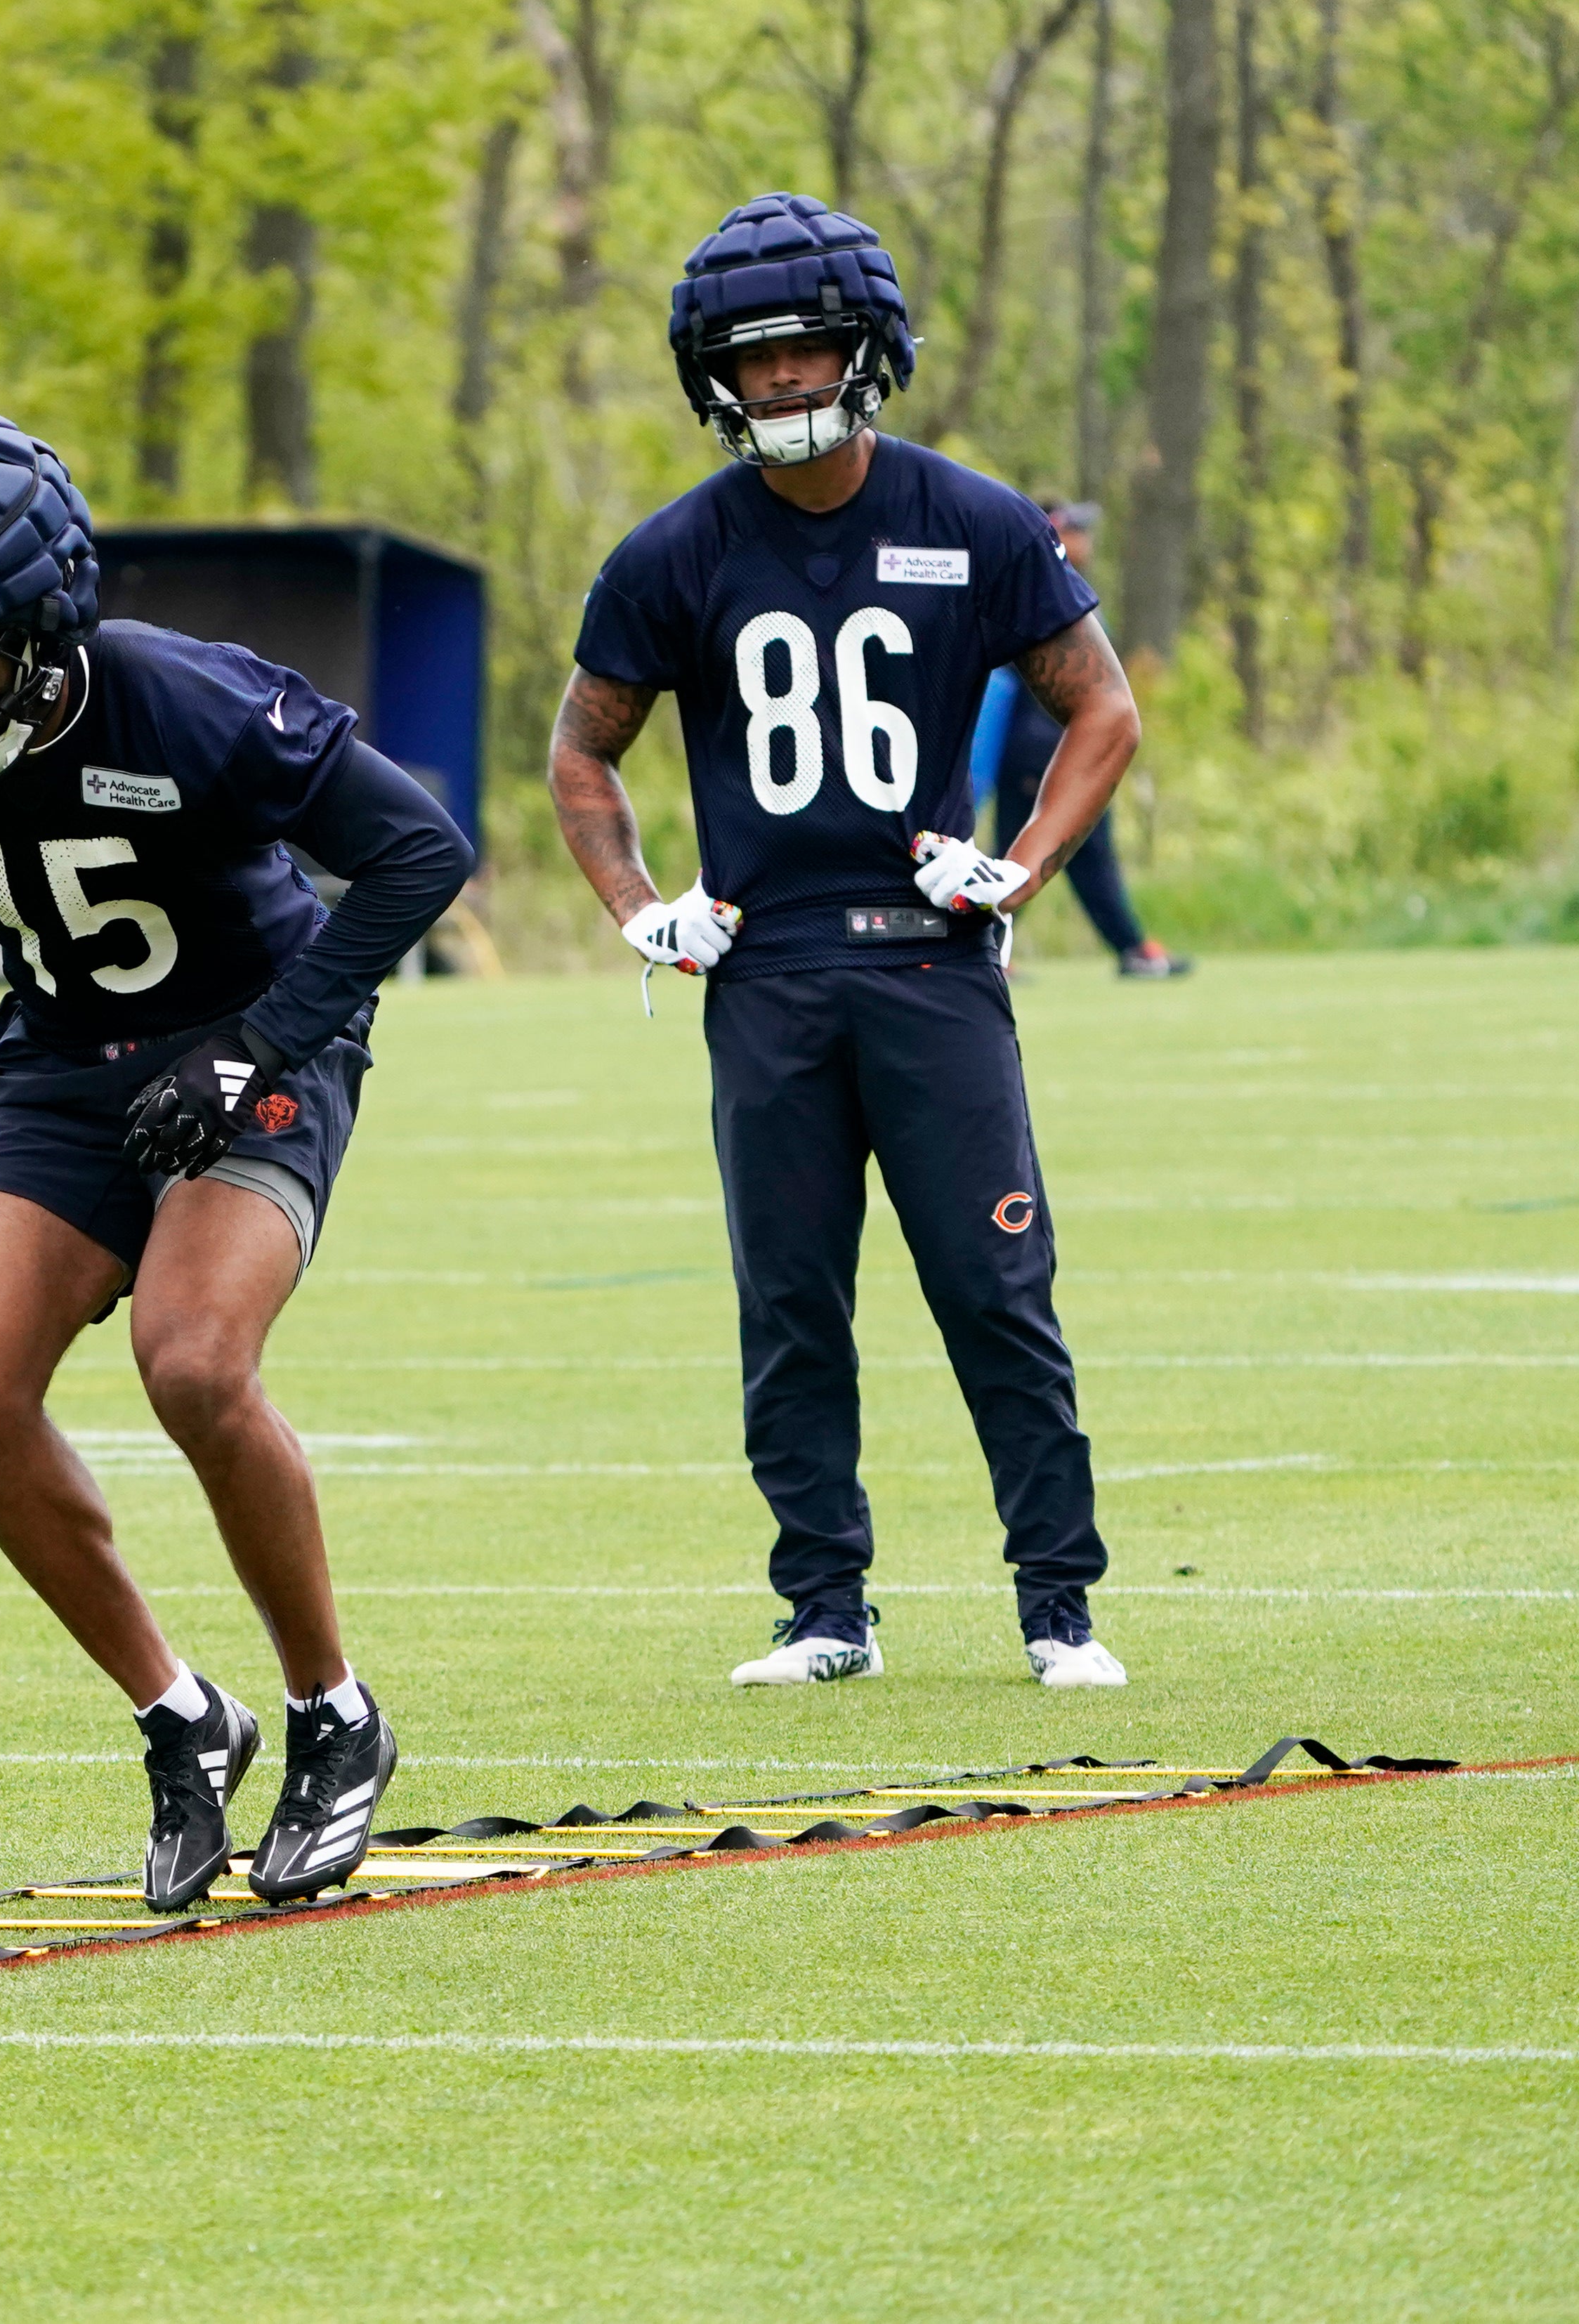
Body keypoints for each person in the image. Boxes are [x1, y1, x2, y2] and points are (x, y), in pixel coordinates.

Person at [0, 408, 472, 1905]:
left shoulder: (183, 700)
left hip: (251, 1028)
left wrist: (262, 1046)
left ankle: (332, 1715)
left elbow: (418, 851)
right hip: (58, 1058)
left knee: (194, 1363)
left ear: (35, 631)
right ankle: (182, 1717)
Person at [542, 193, 1139, 1690]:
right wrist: (639, 911)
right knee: (791, 1305)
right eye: (757, 364)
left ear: (864, 352)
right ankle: (824, 1609)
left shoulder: (975, 519)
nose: (786, 384)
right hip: (765, 975)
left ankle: (1058, 1605)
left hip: (931, 964)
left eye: (809, 352)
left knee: (994, 1290)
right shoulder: (670, 555)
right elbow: (581, 753)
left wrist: (1020, 869)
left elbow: (1103, 709)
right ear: (713, 380)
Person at [969, 500, 1191, 978]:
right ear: (1053, 532)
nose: (1086, 541)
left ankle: (1128, 947)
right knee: (1022, 852)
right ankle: (981, 950)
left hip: (1063, 747)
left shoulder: (1061, 587)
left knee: (1078, 855)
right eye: (1076, 530)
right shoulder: (1027, 591)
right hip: (1040, 750)